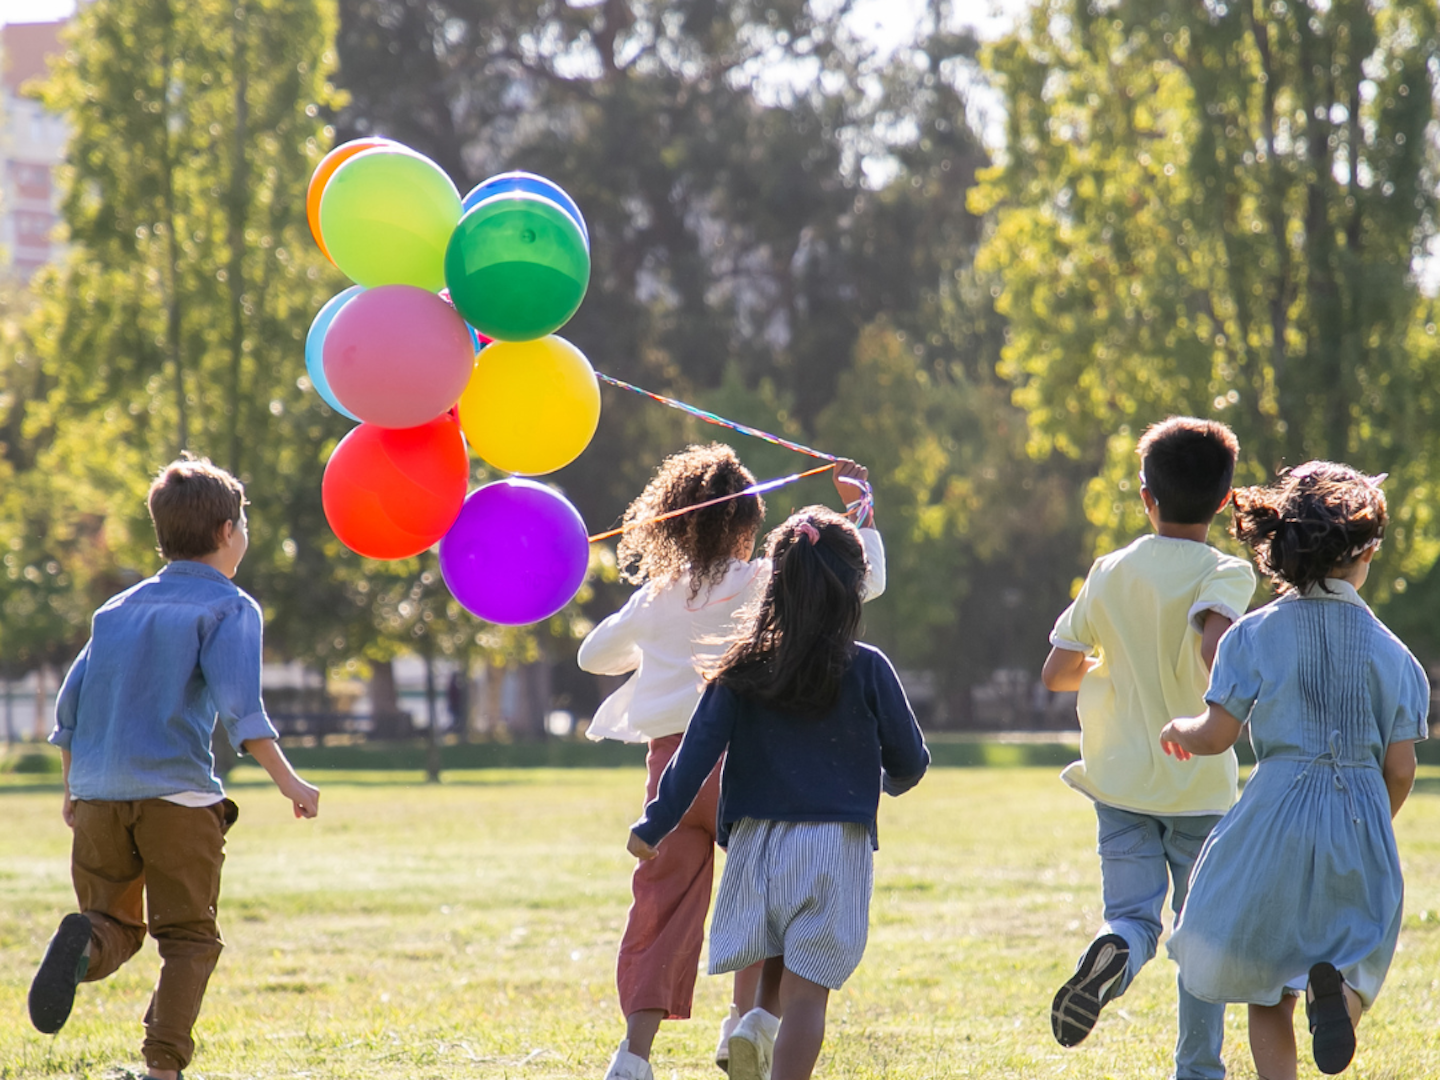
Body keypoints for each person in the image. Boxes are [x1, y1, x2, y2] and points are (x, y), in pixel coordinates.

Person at [579, 444, 886, 1080]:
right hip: (742, 762)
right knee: (765, 895)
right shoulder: (758, 580)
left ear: (672, 522)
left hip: (670, 771)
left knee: (659, 907)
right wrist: (861, 510)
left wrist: (657, 651)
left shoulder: (655, 596)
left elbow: (592, 656)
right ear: (747, 522)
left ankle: (633, 1056)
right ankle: (746, 1022)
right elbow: (864, 581)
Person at [28, 455, 320, 1080]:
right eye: (243, 522)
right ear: (224, 533)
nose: (244, 533)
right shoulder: (229, 608)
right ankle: (163, 1067)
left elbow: (68, 706)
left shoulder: (117, 610)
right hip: (177, 800)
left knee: (114, 926)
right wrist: (288, 780)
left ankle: (85, 941)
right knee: (189, 938)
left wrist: (72, 787)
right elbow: (243, 710)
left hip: (99, 795)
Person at [627, 507, 928, 1080]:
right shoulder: (867, 668)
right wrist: (887, 781)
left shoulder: (740, 667)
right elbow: (910, 760)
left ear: (775, 582)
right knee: (809, 997)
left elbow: (693, 758)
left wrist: (654, 824)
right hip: (833, 848)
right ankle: (768, 1039)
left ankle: (753, 1021)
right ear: (854, 588)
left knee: (773, 947)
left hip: (755, 847)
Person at [1161, 461, 1426, 1079]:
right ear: (1364, 553)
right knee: (1359, 951)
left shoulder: (1252, 635)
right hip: (1359, 818)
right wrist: (1367, 819)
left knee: (1265, 979)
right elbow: (1402, 768)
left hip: (1273, 817)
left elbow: (1217, 734)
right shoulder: (1397, 657)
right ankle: (1341, 1000)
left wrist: (1181, 729)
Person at [1040, 416, 1256, 1080]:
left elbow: (1056, 672)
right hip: (1198, 785)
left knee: (1133, 916)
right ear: (1224, 500)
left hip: (1119, 780)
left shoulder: (1110, 569)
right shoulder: (1228, 571)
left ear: (1146, 496)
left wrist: (1112, 660)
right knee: (1202, 935)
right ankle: (1197, 1069)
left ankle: (1114, 948)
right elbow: (1213, 644)